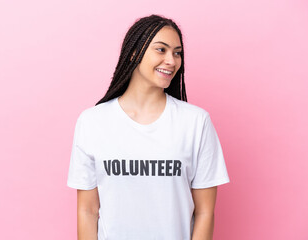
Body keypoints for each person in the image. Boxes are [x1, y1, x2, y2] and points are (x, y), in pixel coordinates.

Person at [67, 14, 230, 240]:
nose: (172, 61)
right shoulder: (93, 122)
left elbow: (204, 212)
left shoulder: (195, 122)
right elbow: (87, 211)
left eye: (177, 52)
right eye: (161, 50)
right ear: (134, 52)